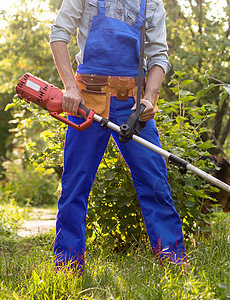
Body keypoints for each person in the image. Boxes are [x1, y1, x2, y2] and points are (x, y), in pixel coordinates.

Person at [50, 0, 187, 273]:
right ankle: (66, 267)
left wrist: (149, 98)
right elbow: (58, 35)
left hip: (133, 105)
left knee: (155, 181)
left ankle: (173, 262)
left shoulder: (152, 4)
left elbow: (159, 56)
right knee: (75, 183)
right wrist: (69, 88)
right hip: (87, 97)